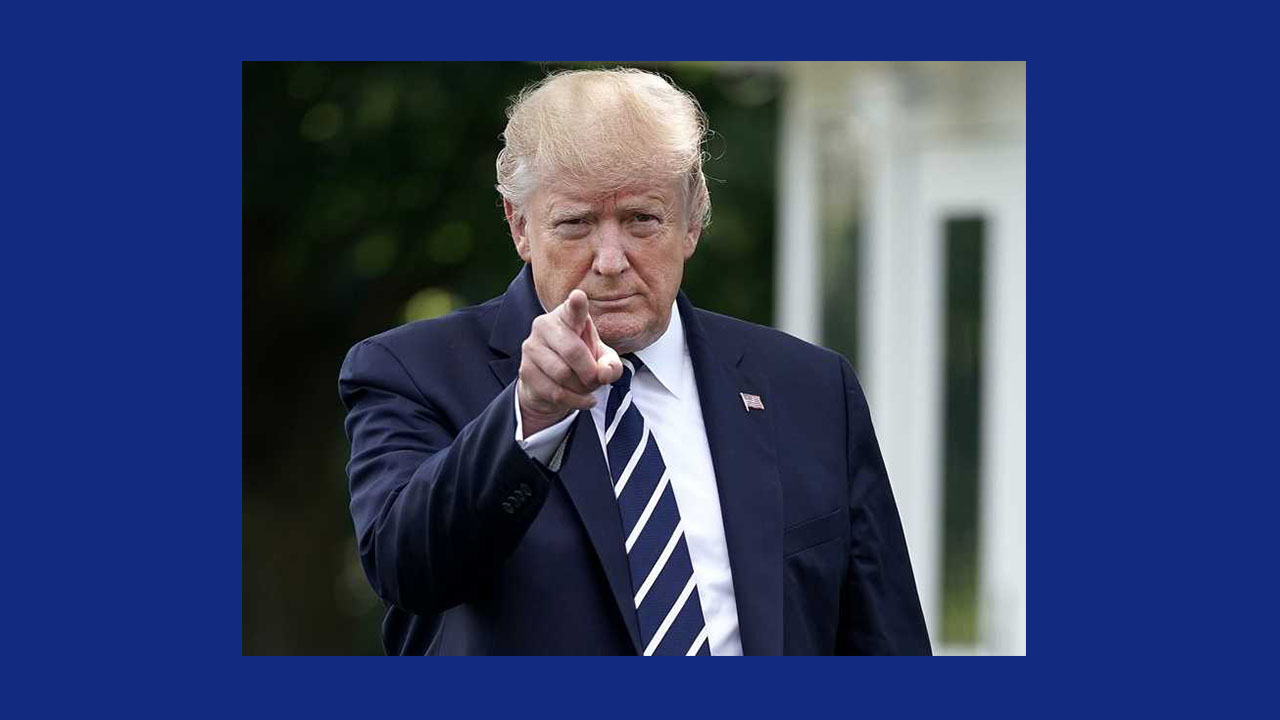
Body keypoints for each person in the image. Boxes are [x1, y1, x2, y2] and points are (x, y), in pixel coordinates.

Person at [339, 68, 931, 655]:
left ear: (692, 221)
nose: (610, 260)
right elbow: (406, 570)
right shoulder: (412, 371)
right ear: (520, 226)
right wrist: (528, 418)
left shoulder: (809, 388)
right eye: (576, 223)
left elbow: (886, 641)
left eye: (642, 219)